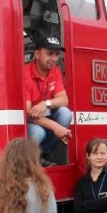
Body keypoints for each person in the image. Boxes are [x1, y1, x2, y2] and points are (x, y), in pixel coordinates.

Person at [25, 34, 73, 165]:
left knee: (65, 113)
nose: (54, 58)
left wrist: (45, 104)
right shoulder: (24, 74)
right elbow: (28, 113)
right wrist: (56, 127)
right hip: (30, 121)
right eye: (49, 53)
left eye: (56, 54)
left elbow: (64, 100)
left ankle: (44, 154)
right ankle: (30, 160)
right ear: (37, 54)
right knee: (38, 132)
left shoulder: (55, 71)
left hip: (44, 115)